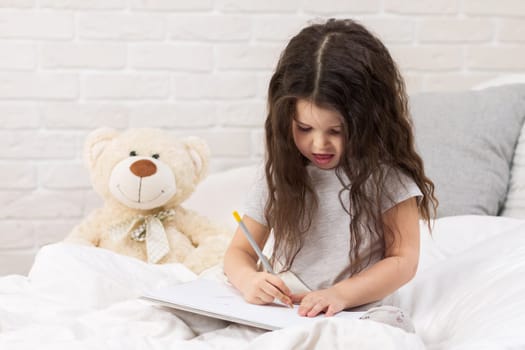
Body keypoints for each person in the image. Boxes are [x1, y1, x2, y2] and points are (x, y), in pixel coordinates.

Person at [223, 18, 437, 332]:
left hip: (358, 311)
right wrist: (248, 279)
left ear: (369, 121)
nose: (319, 144)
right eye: (304, 128)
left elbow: (404, 260)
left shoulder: (387, 180)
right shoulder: (281, 174)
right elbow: (239, 252)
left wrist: (340, 294)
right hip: (288, 311)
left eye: (336, 131)